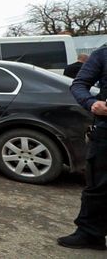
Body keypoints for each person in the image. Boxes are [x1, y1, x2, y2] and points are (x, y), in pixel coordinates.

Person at [58, 46, 107, 250]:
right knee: (98, 185)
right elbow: (79, 85)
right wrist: (92, 103)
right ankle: (90, 234)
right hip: (106, 129)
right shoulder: (103, 54)